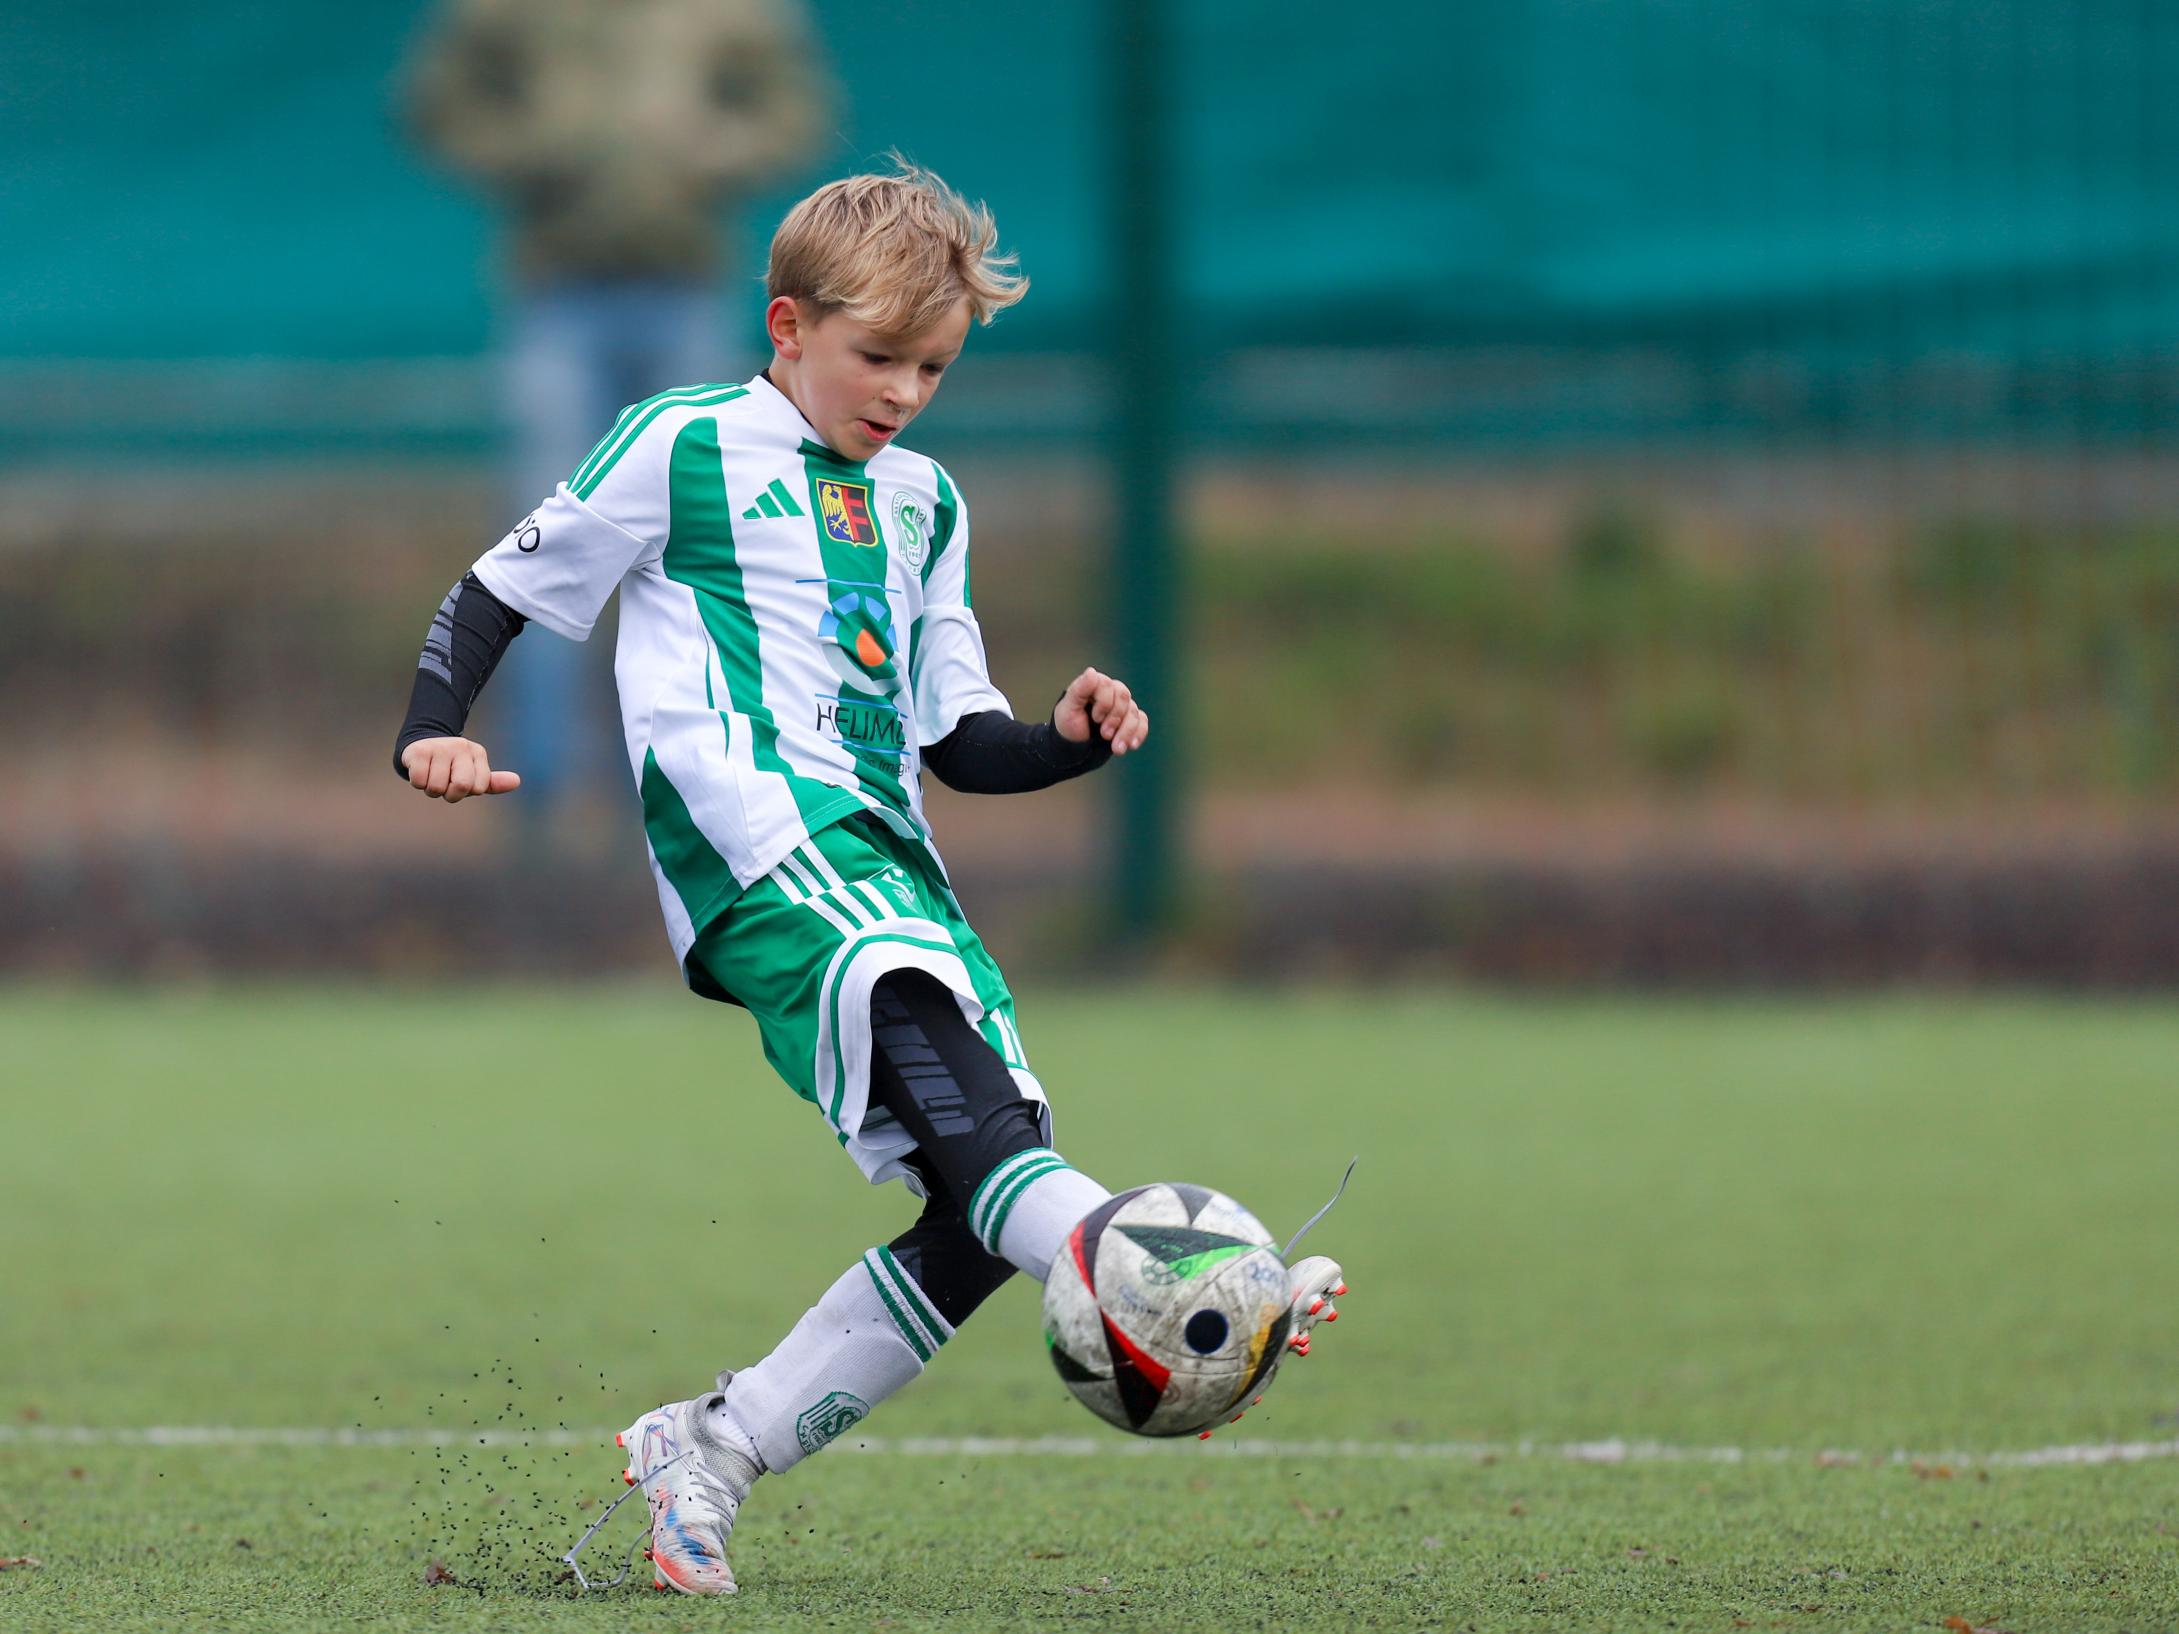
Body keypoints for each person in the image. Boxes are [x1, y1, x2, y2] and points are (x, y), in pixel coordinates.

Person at [391, 162, 1345, 1596]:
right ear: (787, 326)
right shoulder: (684, 441)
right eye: (878, 355)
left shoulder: (925, 504)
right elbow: (499, 588)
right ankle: (1198, 1284)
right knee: (993, 1149)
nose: (903, 391)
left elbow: (958, 741)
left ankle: (717, 1443)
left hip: (892, 870)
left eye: (933, 367)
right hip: (766, 854)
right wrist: (432, 731)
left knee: (980, 1200)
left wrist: (1064, 740)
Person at [405, 0, 832, 832]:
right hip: (558, 292)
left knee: (693, 547)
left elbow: (793, 110)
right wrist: (542, 149)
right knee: (544, 543)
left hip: (687, 289)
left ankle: (674, 793)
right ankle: (534, 797)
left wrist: (705, 151)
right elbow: (441, 104)